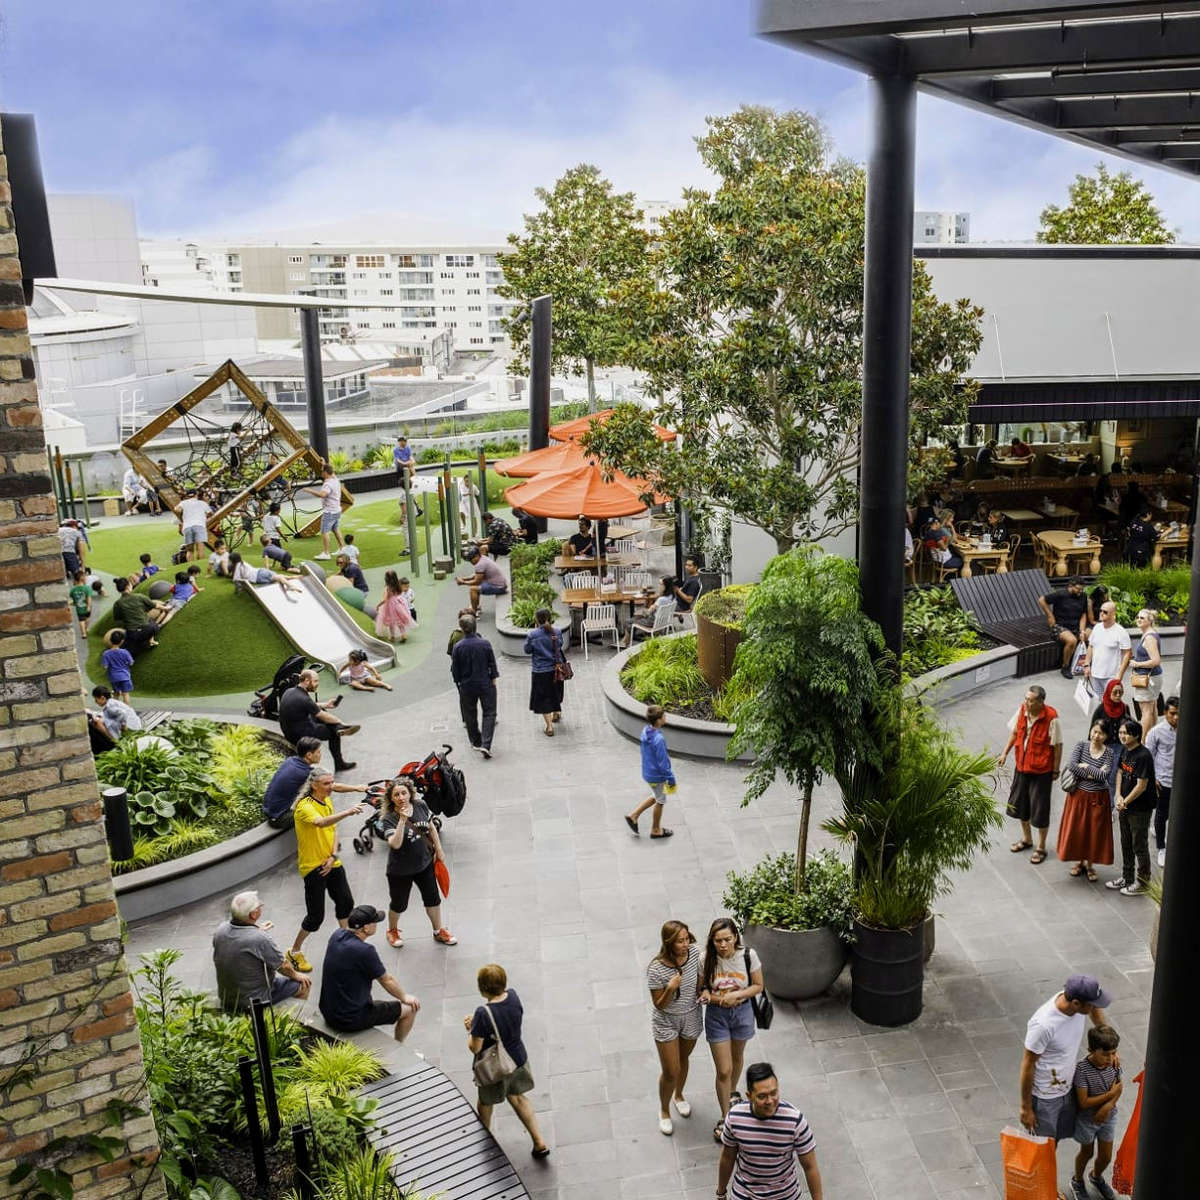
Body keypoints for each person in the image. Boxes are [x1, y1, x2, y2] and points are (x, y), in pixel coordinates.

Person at [1020, 975, 1113, 1168]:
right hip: (1045, 1098)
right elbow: (1028, 1065)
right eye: (1091, 1004)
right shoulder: (1044, 1025)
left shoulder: (1078, 1005)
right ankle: (1043, 1193)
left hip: (1068, 1089)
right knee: (1044, 1148)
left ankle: (1046, 1186)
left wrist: (1107, 1039)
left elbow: (1095, 1010)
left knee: (1056, 1139)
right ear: (1077, 1003)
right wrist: (1026, 1108)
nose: (1095, 1008)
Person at [464, 964, 550, 1157]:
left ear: (482, 988)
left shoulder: (482, 1013)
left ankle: (486, 1141)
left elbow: (475, 1047)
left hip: (495, 1068)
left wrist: (471, 1029)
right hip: (518, 1059)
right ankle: (539, 1142)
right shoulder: (513, 996)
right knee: (519, 1098)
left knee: (485, 1103)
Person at [286, 769, 364, 972]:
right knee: (315, 917)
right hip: (313, 867)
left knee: (346, 901)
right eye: (326, 784)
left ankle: (346, 943)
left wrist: (333, 856)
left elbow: (333, 830)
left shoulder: (327, 800)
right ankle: (294, 951)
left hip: (331, 861)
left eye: (332, 783)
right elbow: (321, 823)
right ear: (314, 785)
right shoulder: (305, 807)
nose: (331, 787)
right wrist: (348, 811)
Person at [718, 1062, 823, 1200]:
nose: (770, 1101)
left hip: (786, 1195)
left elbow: (810, 1167)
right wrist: (721, 1192)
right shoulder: (735, 1118)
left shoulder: (795, 1121)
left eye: (774, 1093)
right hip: (745, 1194)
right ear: (749, 1096)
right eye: (762, 1096)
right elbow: (727, 1158)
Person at [701, 919, 764, 1143]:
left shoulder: (748, 956)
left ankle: (732, 1092)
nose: (723, 944)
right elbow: (704, 990)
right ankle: (725, 1117)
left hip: (743, 1012)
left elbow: (758, 985)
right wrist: (718, 998)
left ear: (735, 937)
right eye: (718, 941)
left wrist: (736, 995)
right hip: (717, 1016)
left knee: (737, 1057)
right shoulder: (706, 959)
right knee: (723, 1069)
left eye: (727, 939)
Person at [318, 905, 420, 1040]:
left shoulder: (336, 935)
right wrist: (404, 997)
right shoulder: (365, 951)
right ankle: (399, 1047)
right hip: (350, 1018)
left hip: (328, 1010)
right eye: (375, 921)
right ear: (366, 928)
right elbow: (386, 980)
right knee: (410, 1009)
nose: (377, 924)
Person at [378, 777, 456, 948]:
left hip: (424, 864)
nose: (401, 797)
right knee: (399, 904)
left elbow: (431, 827)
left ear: (410, 793)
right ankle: (392, 930)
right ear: (391, 798)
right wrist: (402, 821)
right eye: (396, 794)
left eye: (403, 793)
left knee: (433, 899)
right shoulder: (388, 819)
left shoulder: (420, 805)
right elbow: (395, 843)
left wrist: (439, 849)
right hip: (400, 870)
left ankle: (438, 930)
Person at [646, 920, 703, 1136]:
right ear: (669, 942)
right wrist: (670, 988)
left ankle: (679, 1095)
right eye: (680, 941)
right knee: (671, 1070)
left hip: (691, 1016)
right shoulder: (656, 968)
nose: (685, 944)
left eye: (687, 938)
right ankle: (664, 1110)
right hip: (666, 1020)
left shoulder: (696, 953)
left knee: (683, 1060)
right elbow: (659, 1004)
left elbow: (704, 975)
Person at [213, 890, 311, 1012]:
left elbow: (238, 941)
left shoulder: (220, 930)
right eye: (259, 906)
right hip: (253, 999)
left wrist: (255, 929)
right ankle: (300, 1019)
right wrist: (297, 975)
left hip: (226, 995)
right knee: (304, 983)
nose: (261, 907)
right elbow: (283, 966)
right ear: (253, 915)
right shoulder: (259, 939)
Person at [998, 685, 1062, 864]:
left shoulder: (1051, 718)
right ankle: (1027, 839)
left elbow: (1058, 746)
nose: (1026, 702)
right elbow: (1014, 733)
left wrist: (1055, 770)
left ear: (1041, 702)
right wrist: (1004, 753)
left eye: (1030, 700)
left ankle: (1040, 847)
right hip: (1022, 767)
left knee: (1040, 809)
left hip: (1041, 771)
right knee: (1020, 805)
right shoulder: (1021, 711)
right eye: (1026, 699)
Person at [262, 737, 367, 830]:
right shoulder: (304, 772)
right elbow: (333, 786)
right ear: (309, 755)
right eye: (318, 752)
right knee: (320, 795)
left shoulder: (291, 760)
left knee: (314, 789)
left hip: (269, 811)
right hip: (280, 819)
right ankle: (325, 832)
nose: (320, 755)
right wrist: (357, 788)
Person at [1055, 719, 1115, 883]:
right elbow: (1071, 765)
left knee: (1094, 832)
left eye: (1101, 733)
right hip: (1078, 797)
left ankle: (1089, 865)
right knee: (1077, 829)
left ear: (1106, 736)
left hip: (1098, 798)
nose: (1096, 736)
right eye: (1094, 731)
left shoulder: (1109, 753)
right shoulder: (1081, 745)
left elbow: (1104, 775)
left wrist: (1084, 767)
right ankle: (1078, 862)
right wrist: (1093, 771)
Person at [1070, 1025, 1123, 1200]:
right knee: (1087, 1152)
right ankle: (1077, 1181)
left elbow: (1119, 1086)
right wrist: (1109, 1095)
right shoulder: (1082, 1070)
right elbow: (1084, 1102)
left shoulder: (1114, 1063)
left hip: (1108, 1116)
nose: (1110, 1058)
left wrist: (1108, 1106)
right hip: (1087, 1120)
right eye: (1105, 1054)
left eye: (1113, 1053)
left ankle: (1096, 1176)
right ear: (1092, 1050)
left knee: (1106, 1156)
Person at [1105, 719, 1155, 896]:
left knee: (1139, 845)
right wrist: (1118, 795)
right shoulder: (1126, 750)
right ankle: (1127, 877)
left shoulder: (1143, 756)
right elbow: (1120, 772)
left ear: (1135, 735)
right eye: (1120, 733)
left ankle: (1143, 882)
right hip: (1125, 805)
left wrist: (1125, 801)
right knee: (1126, 843)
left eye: (1125, 733)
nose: (1122, 736)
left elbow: (1141, 785)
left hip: (1139, 808)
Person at [278, 667, 361, 772]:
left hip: (290, 730)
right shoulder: (303, 699)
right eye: (316, 681)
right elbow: (321, 715)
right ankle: (339, 763)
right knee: (333, 732)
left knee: (323, 714)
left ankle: (339, 728)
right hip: (300, 735)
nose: (317, 684)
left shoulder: (290, 691)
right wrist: (340, 722)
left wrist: (326, 704)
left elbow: (309, 706)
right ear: (307, 681)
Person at [450, 615, 499, 758]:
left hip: (467, 685)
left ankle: (476, 741)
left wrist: (458, 682)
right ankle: (486, 744)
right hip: (485, 683)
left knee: (469, 714)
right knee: (489, 712)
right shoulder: (485, 644)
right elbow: (492, 663)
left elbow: (455, 669)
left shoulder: (458, 647)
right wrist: (494, 677)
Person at [625, 705, 677, 839]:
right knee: (661, 800)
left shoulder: (645, 732)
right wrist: (671, 779)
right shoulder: (658, 739)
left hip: (648, 772)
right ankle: (655, 830)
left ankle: (634, 816)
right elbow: (663, 763)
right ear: (659, 720)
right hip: (657, 776)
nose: (666, 718)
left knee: (656, 795)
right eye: (664, 716)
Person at [1145, 696, 1178, 868]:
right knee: (1161, 814)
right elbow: (1148, 757)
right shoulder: (1156, 732)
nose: (1176, 718)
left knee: (1172, 814)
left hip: (1179, 781)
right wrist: (1153, 778)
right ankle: (1161, 848)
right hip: (1163, 781)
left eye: (1179, 714)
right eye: (1172, 714)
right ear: (1165, 713)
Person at [523, 607, 565, 736]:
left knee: (543, 698)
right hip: (556, 669)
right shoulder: (557, 632)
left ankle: (549, 727)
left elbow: (527, 650)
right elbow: (560, 645)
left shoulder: (532, 635)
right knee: (556, 692)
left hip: (540, 671)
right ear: (549, 618)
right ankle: (557, 713)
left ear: (537, 620)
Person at [1039, 578, 1089, 678]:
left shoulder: (1083, 596)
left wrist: (1082, 631)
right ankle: (1065, 667)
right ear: (1070, 586)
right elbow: (1042, 600)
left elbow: (1083, 614)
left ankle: (1083, 663)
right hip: (1059, 626)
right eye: (1078, 589)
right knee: (1072, 640)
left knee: (1089, 635)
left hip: (1075, 626)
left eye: (1082, 589)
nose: (1080, 591)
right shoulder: (1061, 594)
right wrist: (1050, 615)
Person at [1083, 601, 1131, 699]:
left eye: (1105, 612)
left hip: (1111, 676)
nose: (1101, 613)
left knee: (1111, 704)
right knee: (1098, 702)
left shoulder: (1121, 632)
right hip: (1095, 674)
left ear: (1113, 614)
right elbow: (1091, 646)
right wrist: (1087, 664)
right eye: (1100, 611)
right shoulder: (1097, 628)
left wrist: (1119, 675)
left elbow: (1127, 654)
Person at [1129, 608, 1163, 739]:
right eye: (1138, 617)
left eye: (1142, 618)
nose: (1138, 619)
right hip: (1152, 677)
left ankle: (1141, 741)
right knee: (1152, 708)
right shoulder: (1149, 634)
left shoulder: (1149, 637)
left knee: (1146, 712)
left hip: (1147, 679)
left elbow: (1156, 660)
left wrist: (1137, 664)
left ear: (1150, 621)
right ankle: (1151, 738)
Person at [110, 577, 168, 651]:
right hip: (149, 629)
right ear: (128, 586)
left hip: (132, 634)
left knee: (131, 642)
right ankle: (149, 640)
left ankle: (142, 642)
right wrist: (167, 608)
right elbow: (155, 605)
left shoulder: (117, 604)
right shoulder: (139, 596)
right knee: (152, 624)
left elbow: (117, 618)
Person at [304, 464, 344, 559]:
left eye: (322, 471)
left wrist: (309, 490)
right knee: (335, 529)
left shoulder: (328, 484)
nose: (321, 473)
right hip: (337, 510)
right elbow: (331, 470)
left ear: (326, 473)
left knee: (324, 531)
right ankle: (342, 548)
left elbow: (322, 494)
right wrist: (323, 463)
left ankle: (326, 553)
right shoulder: (335, 479)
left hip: (329, 512)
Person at [88, 685, 142, 752]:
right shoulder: (111, 702)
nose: (95, 702)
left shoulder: (109, 706)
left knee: (102, 722)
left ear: (102, 698)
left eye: (96, 700)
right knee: (106, 720)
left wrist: (123, 726)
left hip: (131, 727)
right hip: (135, 724)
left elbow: (123, 713)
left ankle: (116, 742)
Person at [456, 547, 507, 613]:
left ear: (477, 556)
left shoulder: (480, 564)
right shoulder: (483, 558)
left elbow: (476, 581)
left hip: (499, 587)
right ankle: (476, 606)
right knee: (476, 587)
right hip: (499, 584)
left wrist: (463, 582)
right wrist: (464, 578)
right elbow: (476, 575)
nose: (471, 561)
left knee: (473, 589)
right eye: (469, 559)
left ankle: (474, 611)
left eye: (471, 558)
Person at [230, 551, 302, 597]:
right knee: (279, 577)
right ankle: (296, 577)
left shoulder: (238, 566)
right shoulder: (243, 563)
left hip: (259, 576)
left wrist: (238, 590)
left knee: (278, 578)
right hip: (260, 571)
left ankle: (290, 586)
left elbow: (235, 579)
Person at [374, 570, 414, 643]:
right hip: (398, 603)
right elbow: (400, 593)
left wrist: (378, 605)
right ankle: (403, 635)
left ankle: (392, 637)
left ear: (387, 579)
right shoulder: (398, 585)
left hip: (390, 606)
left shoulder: (388, 588)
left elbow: (385, 599)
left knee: (390, 622)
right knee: (400, 621)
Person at [177, 489, 212, 563]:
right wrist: (203, 516)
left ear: (187, 495)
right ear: (196, 494)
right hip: (199, 525)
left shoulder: (183, 503)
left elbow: (177, 510)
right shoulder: (202, 503)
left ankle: (191, 569)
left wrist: (183, 516)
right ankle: (199, 569)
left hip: (187, 527)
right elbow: (210, 513)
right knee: (200, 549)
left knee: (190, 551)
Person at [101, 630, 135, 703]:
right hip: (125, 676)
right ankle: (127, 710)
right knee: (125, 694)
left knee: (116, 693)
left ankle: (115, 708)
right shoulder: (125, 652)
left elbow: (105, 666)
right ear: (121, 641)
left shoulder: (106, 653)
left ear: (110, 640)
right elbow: (131, 663)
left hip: (113, 677)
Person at [69, 568, 92, 637]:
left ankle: (83, 634)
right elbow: (89, 598)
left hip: (79, 608)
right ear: (83, 579)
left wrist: (73, 603)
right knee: (87, 618)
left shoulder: (73, 589)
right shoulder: (87, 588)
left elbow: (72, 598)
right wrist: (88, 606)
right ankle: (86, 628)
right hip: (87, 607)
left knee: (81, 620)